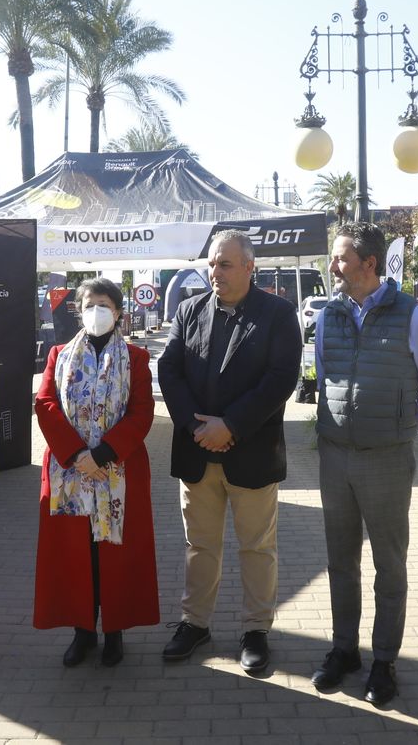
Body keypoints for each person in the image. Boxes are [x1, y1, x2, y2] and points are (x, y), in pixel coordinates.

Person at [310, 222, 418, 707]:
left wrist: (401, 427)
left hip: (387, 461)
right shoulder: (328, 314)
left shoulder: (410, 314)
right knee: (339, 562)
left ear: (369, 264)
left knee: (389, 566)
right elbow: (324, 377)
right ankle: (343, 650)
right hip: (334, 457)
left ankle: (384, 662)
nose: (333, 267)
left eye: (341, 258)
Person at [158, 230, 302, 674]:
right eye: (212, 264)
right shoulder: (189, 310)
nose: (215, 272)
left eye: (224, 264)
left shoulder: (278, 314)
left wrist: (231, 426)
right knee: (199, 545)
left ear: (248, 267)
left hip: (251, 453)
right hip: (198, 452)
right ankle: (194, 623)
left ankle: (255, 630)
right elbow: (169, 369)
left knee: (257, 547)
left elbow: (280, 379)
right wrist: (197, 427)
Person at [33, 278, 159, 667]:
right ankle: (82, 631)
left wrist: (102, 453)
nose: (95, 311)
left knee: (113, 554)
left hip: (116, 472)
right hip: (70, 473)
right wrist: (76, 454)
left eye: (103, 304)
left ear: (119, 312)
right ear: (79, 310)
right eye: (89, 304)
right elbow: (45, 403)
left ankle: (114, 632)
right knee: (77, 555)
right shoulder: (59, 353)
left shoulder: (136, 358)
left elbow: (142, 412)